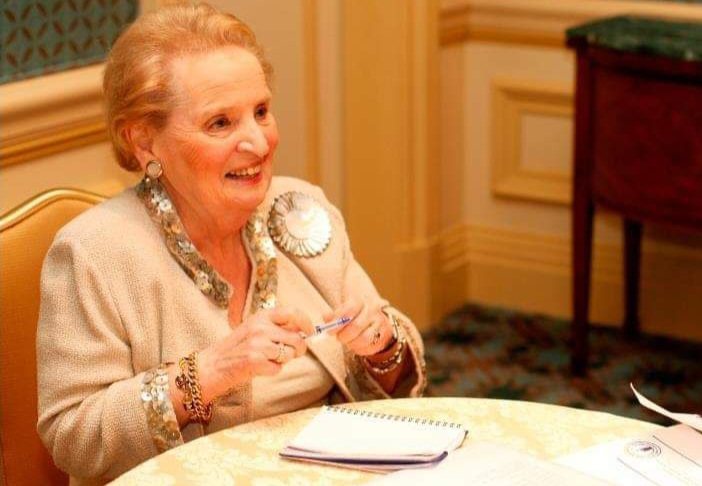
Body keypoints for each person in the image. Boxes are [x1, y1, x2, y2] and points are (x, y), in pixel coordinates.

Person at [36, 3, 426, 483]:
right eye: (220, 123)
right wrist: (211, 371)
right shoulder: (94, 253)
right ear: (145, 142)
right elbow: (74, 436)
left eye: (260, 112)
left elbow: (396, 381)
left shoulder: (300, 209)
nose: (259, 144)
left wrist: (381, 346)